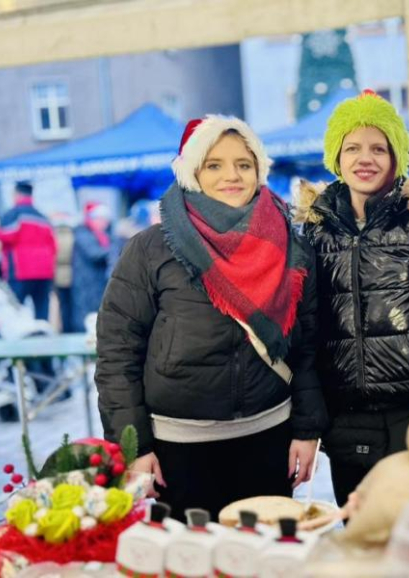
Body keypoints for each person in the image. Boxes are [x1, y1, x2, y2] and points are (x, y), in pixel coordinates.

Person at [95, 115, 328, 521]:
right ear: (192, 172)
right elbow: (117, 354)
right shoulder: (150, 249)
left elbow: (306, 347)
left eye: (244, 164)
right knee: (191, 552)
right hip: (178, 450)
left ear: (259, 170)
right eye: (214, 164)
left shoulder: (292, 246)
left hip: (268, 439)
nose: (231, 176)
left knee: (265, 552)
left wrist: (308, 431)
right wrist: (135, 448)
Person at [294, 90, 409, 506]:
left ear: (396, 156)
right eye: (352, 148)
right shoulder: (317, 227)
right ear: (336, 157)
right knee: (359, 524)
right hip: (346, 414)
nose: (365, 158)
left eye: (379, 148)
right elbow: (308, 325)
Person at [0, 181, 56, 321]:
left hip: (20, 272)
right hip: (44, 272)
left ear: (16, 194)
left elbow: (7, 235)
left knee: (14, 311)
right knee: (42, 313)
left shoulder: (14, 214)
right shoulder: (43, 217)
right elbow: (54, 246)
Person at [71, 202, 113, 333]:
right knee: (84, 314)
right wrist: (113, 252)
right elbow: (94, 253)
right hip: (85, 282)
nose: (104, 223)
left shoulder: (105, 236)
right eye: (101, 219)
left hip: (98, 281)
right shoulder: (82, 233)